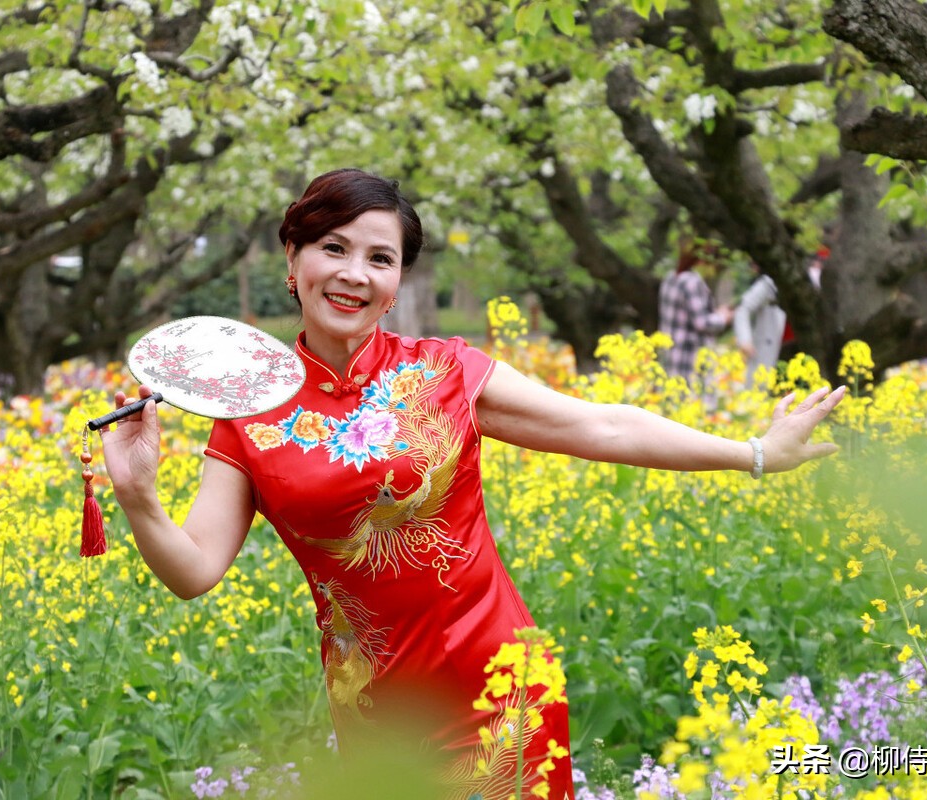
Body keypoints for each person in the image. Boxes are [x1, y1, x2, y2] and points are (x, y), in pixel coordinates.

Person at [99, 169, 846, 800]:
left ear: (397, 282)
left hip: (501, 695)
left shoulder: (444, 371)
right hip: (377, 716)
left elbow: (602, 426)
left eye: (380, 258)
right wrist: (138, 497)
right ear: (292, 260)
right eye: (334, 248)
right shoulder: (248, 414)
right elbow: (195, 571)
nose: (355, 273)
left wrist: (753, 451)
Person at [658, 238, 733, 381]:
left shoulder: (670, 277)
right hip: (688, 358)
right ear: (701, 260)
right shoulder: (692, 282)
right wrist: (723, 317)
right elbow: (702, 322)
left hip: (670, 354)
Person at [733, 265, 787, 386]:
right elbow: (742, 309)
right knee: (762, 387)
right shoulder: (769, 284)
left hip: (797, 349)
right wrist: (745, 340)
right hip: (770, 348)